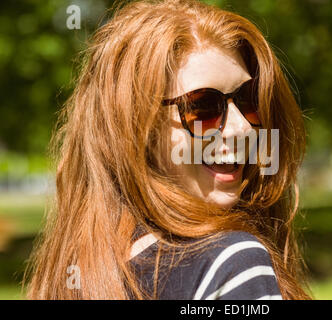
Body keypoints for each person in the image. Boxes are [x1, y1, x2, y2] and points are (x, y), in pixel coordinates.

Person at [24, 0, 311, 300]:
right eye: (202, 106)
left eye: (249, 99)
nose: (243, 128)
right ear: (136, 129)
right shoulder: (231, 264)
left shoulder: (79, 277)